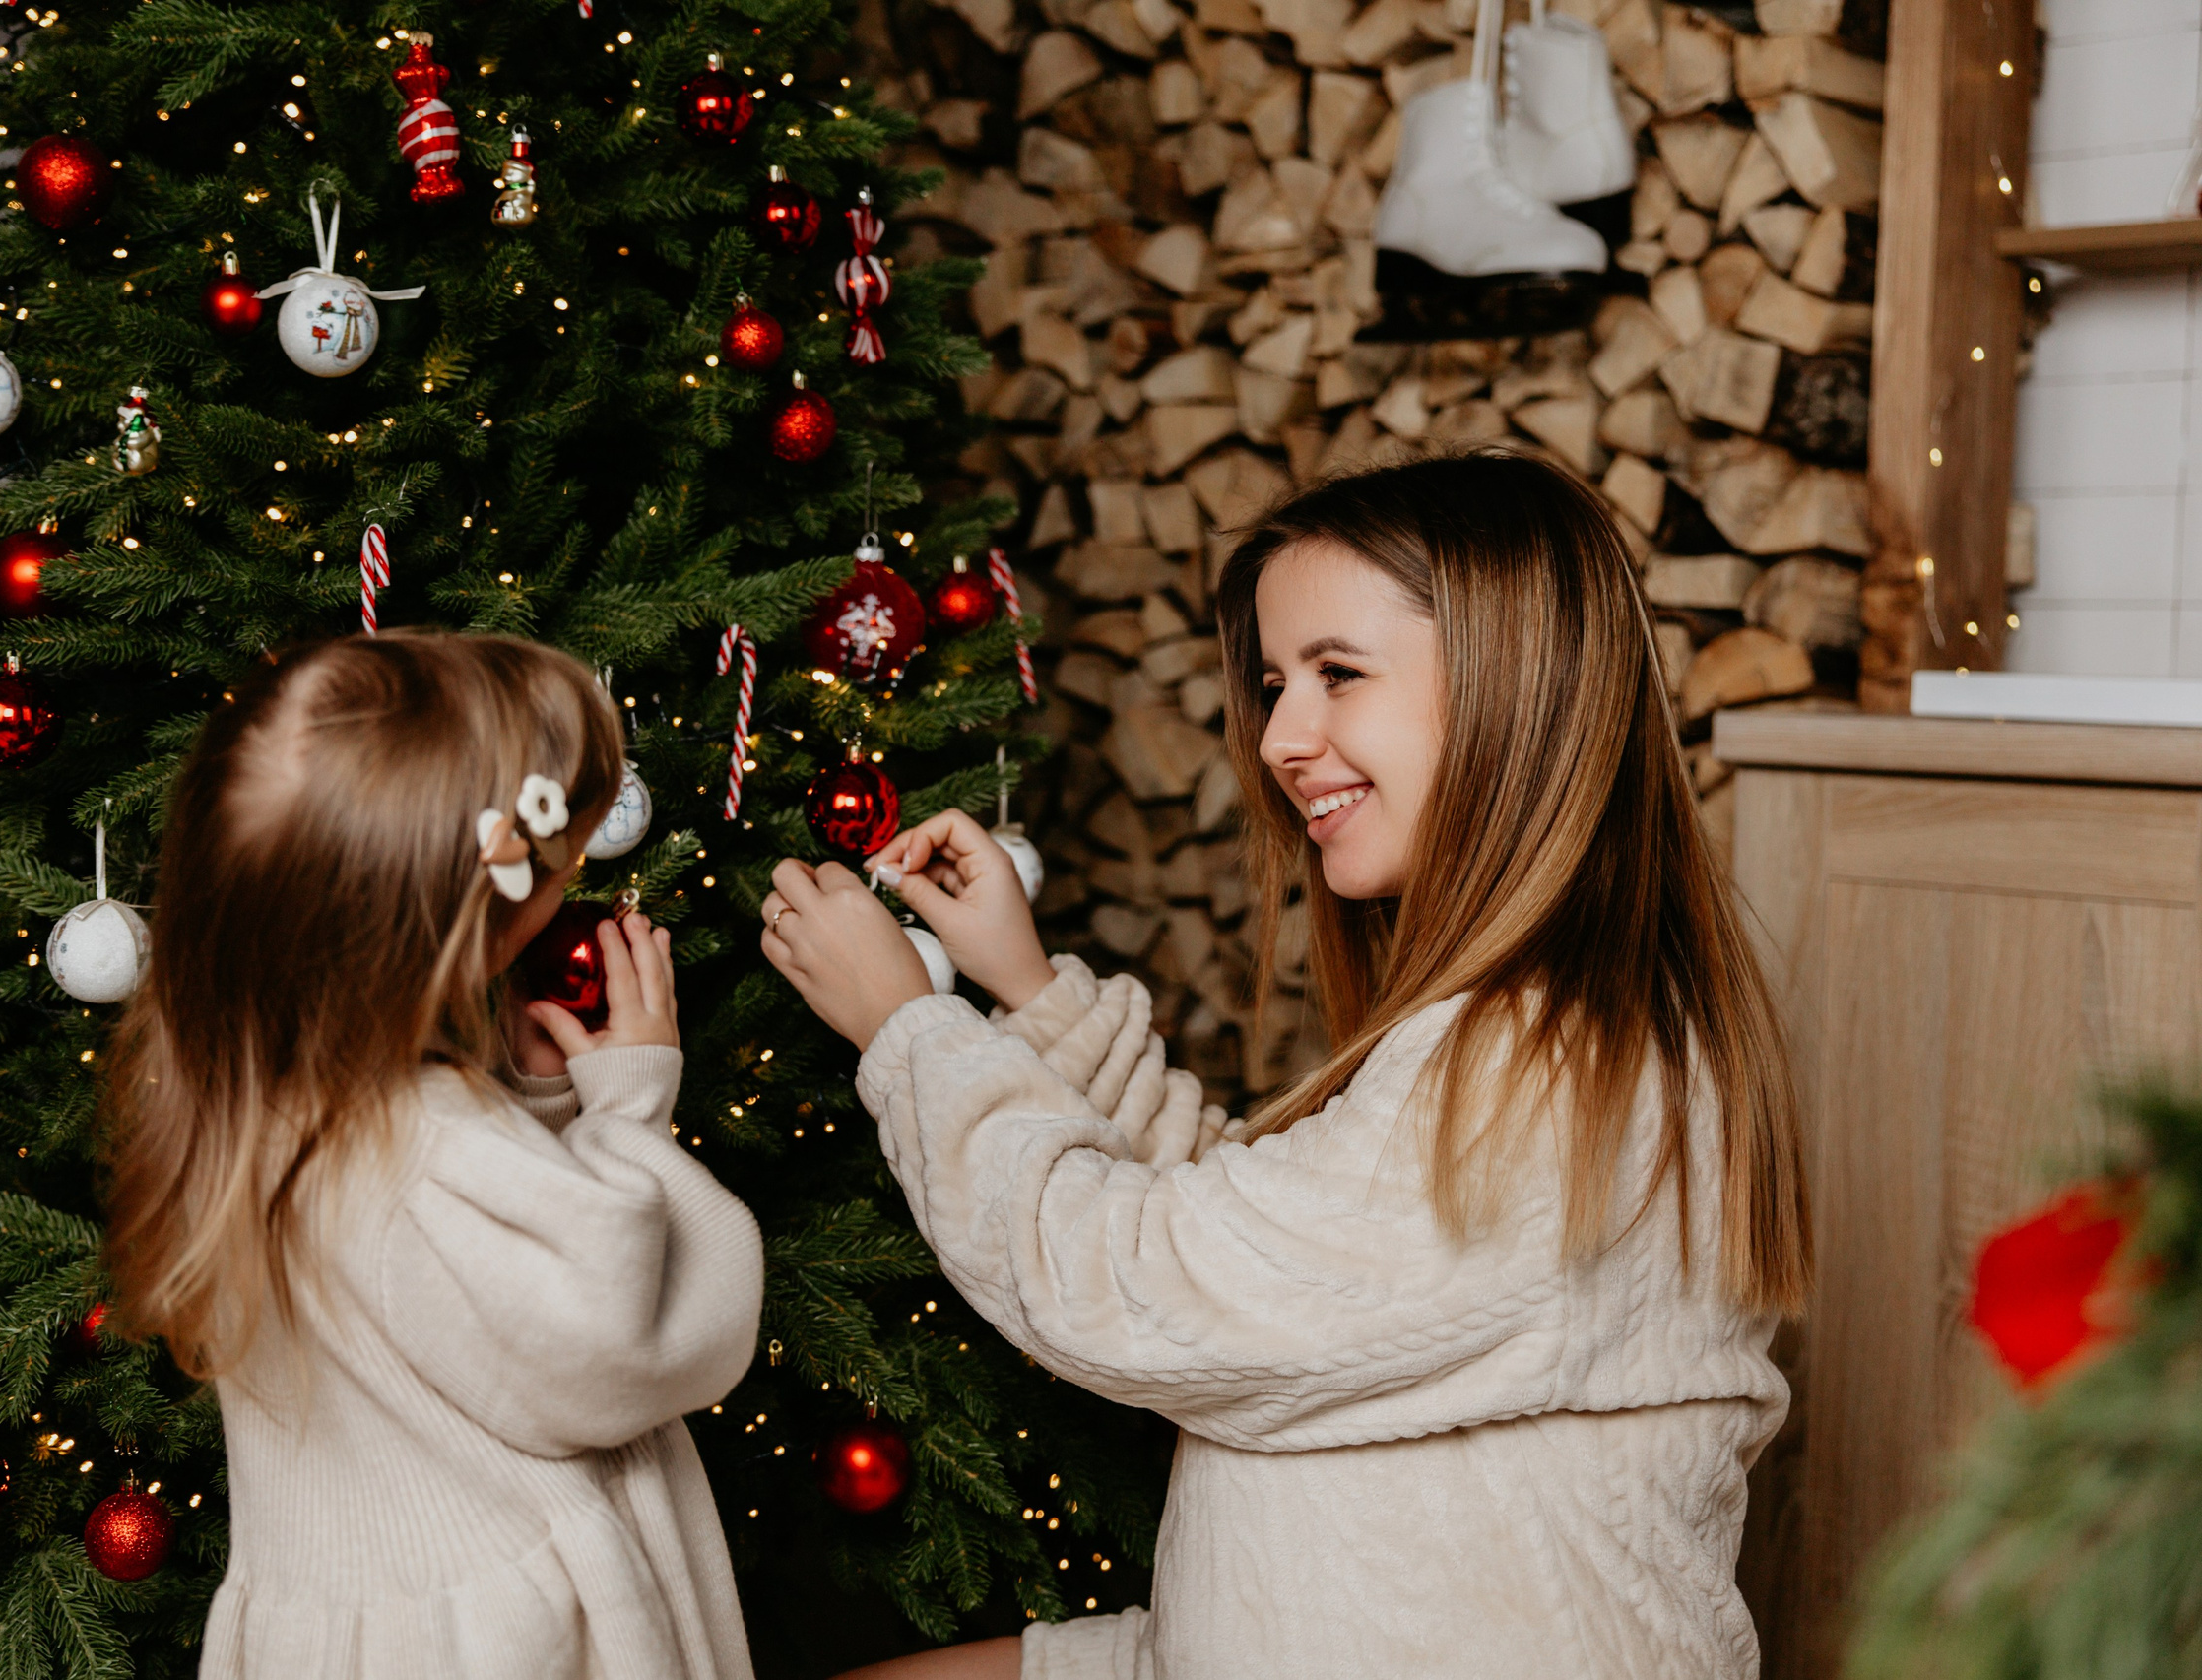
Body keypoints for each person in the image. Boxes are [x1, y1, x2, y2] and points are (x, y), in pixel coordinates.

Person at [758, 450, 1808, 1680]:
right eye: (1271, 684)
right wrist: (1027, 988)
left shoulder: (1552, 1067)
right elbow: (1269, 1241)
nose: (1278, 738)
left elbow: (1137, 1285)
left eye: (1337, 675)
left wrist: (907, 1029)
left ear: (1517, 691)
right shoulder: (1542, 1027)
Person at [103, 631, 762, 1680]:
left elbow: (473, 1316)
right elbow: (633, 1344)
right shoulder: (429, 1144)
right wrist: (627, 1107)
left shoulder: (250, 1088)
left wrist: (540, 1109)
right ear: (478, 925)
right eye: (565, 866)